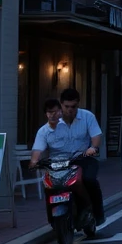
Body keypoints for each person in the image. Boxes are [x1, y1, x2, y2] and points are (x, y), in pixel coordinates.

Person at [29, 88, 105, 224]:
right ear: (61, 104)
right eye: (66, 106)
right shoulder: (48, 127)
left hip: (83, 159)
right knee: (49, 186)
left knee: (89, 180)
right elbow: (38, 147)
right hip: (57, 163)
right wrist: (35, 161)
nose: (70, 110)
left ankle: (97, 212)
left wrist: (93, 147)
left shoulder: (88, 117)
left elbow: (96, 136)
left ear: (78, 104)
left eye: (73, 106)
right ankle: (53, 220)